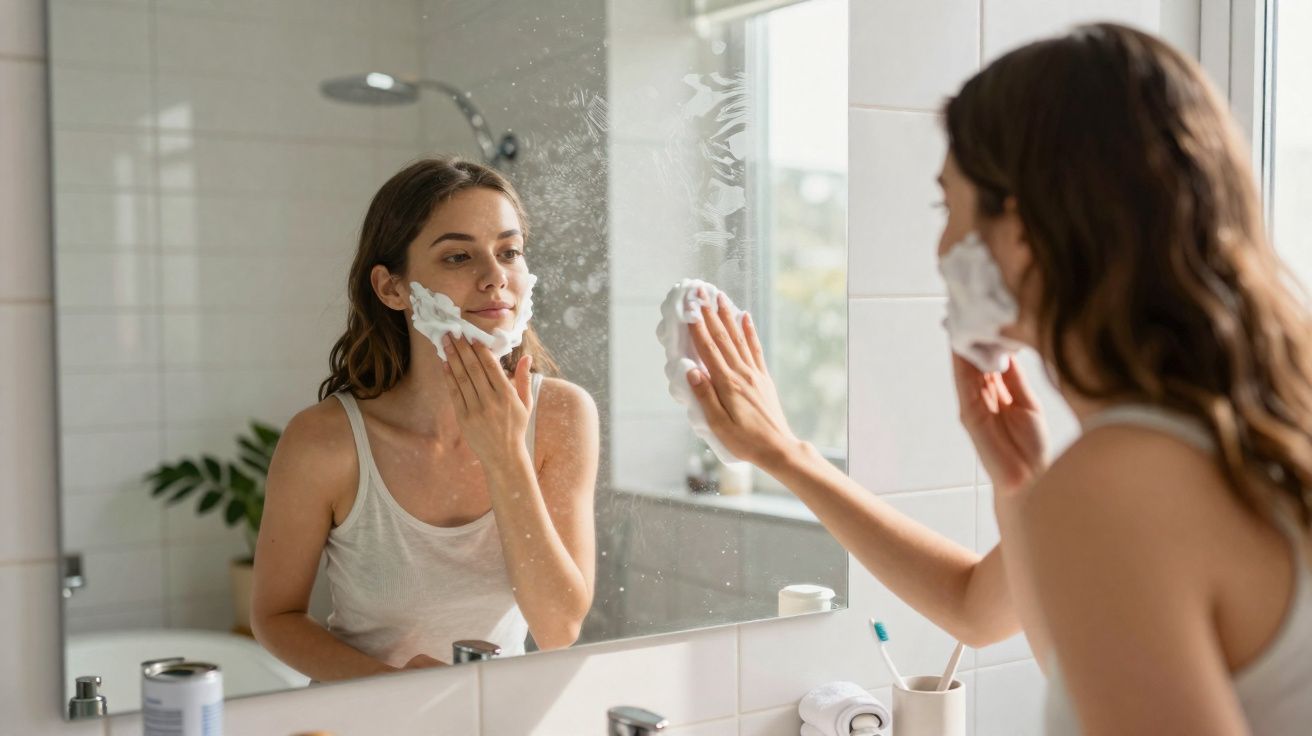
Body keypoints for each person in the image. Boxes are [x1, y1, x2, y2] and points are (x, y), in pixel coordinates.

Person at [685, 24, 1312, 735]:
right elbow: (985, 615)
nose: (943, 244)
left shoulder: (1122, 479)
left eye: (946, 204)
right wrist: (1019, 486)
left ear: (1024, 225)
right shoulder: (1262, 413)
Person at [251, 158, 599, 680]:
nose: (494, 278)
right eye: (459, 256)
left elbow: (558, 629)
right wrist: (396, 688)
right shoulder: (326, 442)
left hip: (495, 715)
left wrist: (506, 457)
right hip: (366, 716)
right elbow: (275, 618)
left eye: (509, 252)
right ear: (392, 289)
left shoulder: (561, 416)